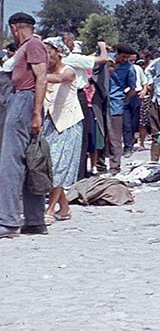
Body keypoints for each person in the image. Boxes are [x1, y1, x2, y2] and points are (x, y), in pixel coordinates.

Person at [0, 13, 49, 238]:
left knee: (11, 162)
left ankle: (8, 221)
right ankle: (34, 219)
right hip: (24, 100)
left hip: (24, 99)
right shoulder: (31, 46)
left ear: (14, 28)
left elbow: (41, 77)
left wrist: (36, 112)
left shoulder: (33, 45)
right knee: (31, 161)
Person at [42, 37, 84, 224]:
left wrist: (36, 74)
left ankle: (50, 209)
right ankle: (64, 207)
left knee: (59, 166)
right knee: (49, 166)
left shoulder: (69, 71)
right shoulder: (45, 71)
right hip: (50, 123)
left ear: (58, 51)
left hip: (68, 123)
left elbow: (60, 79)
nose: (46, 56)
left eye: (49, 52)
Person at [61, 36, 109, 180]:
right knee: (82, 137)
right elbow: (103, 59)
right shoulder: (72, 58)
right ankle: (79, 174)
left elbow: (87, 59)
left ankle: (77, 172)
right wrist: (102, 47)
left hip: (72, 96)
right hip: (78, 95)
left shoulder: (71, 59)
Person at [107, 44, 137, 174]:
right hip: (101, 101)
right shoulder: (107, 61)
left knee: (115, 136)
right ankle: (100, 163)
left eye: (127, 57)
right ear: (117, 54)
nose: (125, 59)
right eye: (123, 56)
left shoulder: (129, 69)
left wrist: (123, 99)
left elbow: (132, 88)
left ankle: (115, 166)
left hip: (116, 103)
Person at [122, 53, 146, 158]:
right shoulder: (121, 69)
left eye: (133, 60)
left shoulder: (138, 69)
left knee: (134, 122)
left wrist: (144, 90)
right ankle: (128, 146)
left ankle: (132, 139)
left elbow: (144, 81)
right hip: (125, 95)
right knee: (126, 123)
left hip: (136, 95)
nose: (132, 62)